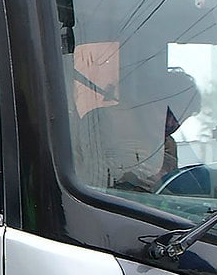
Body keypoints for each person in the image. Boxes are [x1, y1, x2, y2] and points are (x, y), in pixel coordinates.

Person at [72, 63, 201, 193]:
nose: (171, 124)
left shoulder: (168, 146)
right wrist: (129, 174)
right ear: (148, 101)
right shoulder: (103, 122)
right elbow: (87, 181)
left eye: (181, 119)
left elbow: (168, 194)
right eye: (169, 113)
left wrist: (160, 183)